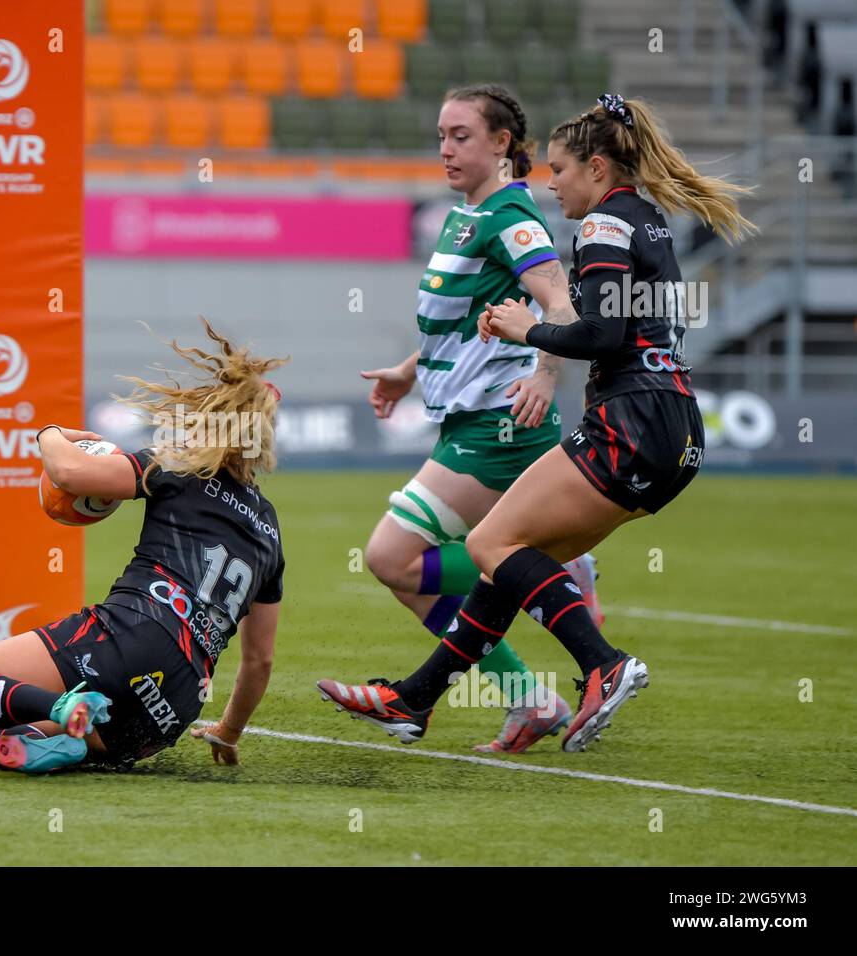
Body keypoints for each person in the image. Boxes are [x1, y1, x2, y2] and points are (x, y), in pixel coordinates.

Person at [318, 93, 755, 753]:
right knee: (507, 554)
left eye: (561, 170)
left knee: (488, 548)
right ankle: (420, 697)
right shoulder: (648, 218)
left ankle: (601, 662)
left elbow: (599, 332)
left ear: (599, 167)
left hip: (624, 421)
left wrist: (536, 338)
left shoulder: (600, 225)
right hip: (672, 426)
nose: (552, 184)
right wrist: (421, 365)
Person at [349, 84, 599, 753]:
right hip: (467, 420)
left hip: (501, 424)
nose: (446, 149)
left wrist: (546, 375)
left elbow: (561, 300)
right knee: (402, 563)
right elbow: (465, 322)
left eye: (460, 135)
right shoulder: (468, 214)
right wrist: (410, 369)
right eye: (440, 135)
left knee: (392, 556)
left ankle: (548, 569)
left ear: (501, 144)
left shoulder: (510, 214)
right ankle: (527, 692)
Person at [0, 319, 287, 773]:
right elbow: (259, 660)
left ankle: (61, 709)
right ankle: (71, 734)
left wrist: (48, 434)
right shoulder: (270, 531)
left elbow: (69, 474)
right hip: (172, 704)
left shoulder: (176, 468)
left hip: (128, 637)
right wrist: (228, 731)